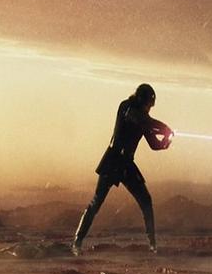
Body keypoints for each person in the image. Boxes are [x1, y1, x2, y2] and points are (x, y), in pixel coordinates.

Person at [72, 84, 172, 255]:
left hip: (126, 163)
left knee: (146, 200)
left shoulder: (144, 118)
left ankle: (152, 245)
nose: (149, 109)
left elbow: (153, 144)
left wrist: (165, 142)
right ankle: (77, 241)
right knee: (96, 202)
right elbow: (140, 120)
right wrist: (165, 127)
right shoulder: (126, 107)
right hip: (113, 160)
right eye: (148, 105)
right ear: (141, 100)